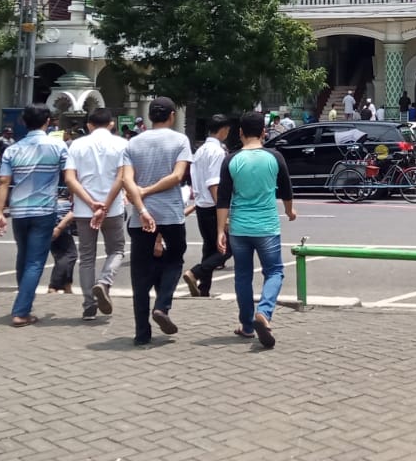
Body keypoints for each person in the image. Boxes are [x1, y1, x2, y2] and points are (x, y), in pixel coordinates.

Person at [217, 110, 297, 349]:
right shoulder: (275, 157)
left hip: (239, 228)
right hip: (267, 227)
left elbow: (223, 199)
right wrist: (290, 212)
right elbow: (286, 190)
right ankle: (264, 312)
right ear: (264, 132)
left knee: (242, 275)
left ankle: (247, 325)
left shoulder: (231, 159)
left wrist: (220, 230)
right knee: (274, 272)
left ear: (240, 133)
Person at [121, 96, 192, 345]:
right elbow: (178, 176)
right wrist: (149, 191)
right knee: (174, 259)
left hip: (141, 216)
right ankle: (162, 305)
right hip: (171, 214)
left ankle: (142, 332)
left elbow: (127, 181)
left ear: (150, 116)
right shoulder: (180, 140)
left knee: (140, 273)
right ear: (172, 115)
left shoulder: (133, 143)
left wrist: (141, 205)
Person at [0, 103, 67, 327]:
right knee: (35, 261)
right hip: (44, 210)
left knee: (23, 257)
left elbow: (4, 182)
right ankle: (21, 310)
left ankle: (23, 302)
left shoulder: (12, 149)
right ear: (48, 122)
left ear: (23, 122)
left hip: (19, 210)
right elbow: (69, 177)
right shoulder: (58, 146)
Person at [63, 106, 128, 321]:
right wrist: (106, 205)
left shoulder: (76, 145)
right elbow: (122, 178)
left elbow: (70, 179)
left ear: (89, 125)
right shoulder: (122, 144)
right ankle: (104, 281)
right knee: (117, 249)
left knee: (87, 257)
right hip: (114, 208)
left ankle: (88, 305)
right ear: (111, 124)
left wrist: (92, 204)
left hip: (84, 209)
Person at [183, 114, 231, 298]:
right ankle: (195, 272)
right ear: (223, 130)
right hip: (213, 206)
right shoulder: (217, 152)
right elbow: (214, 184)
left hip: (202, 205)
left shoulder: (200, 150)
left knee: (210, 247)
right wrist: (224, 214)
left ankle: (203, 289)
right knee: (228, 248)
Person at [47, 195, 77, 293]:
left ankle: (66, 286)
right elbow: (73, 210)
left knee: (61, 256)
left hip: (51, 211)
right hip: (60, 217)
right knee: (70, 255)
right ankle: (54, 285)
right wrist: (59, 228)